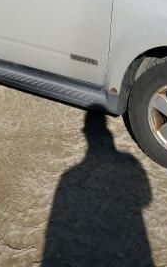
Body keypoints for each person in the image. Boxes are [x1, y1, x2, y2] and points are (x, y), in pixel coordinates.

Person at [42, 111, 154, 267]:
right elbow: (146, 199)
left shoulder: (69, 176)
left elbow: (54, 228)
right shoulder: (129, 160)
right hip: (130, 244)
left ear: (86, 135)